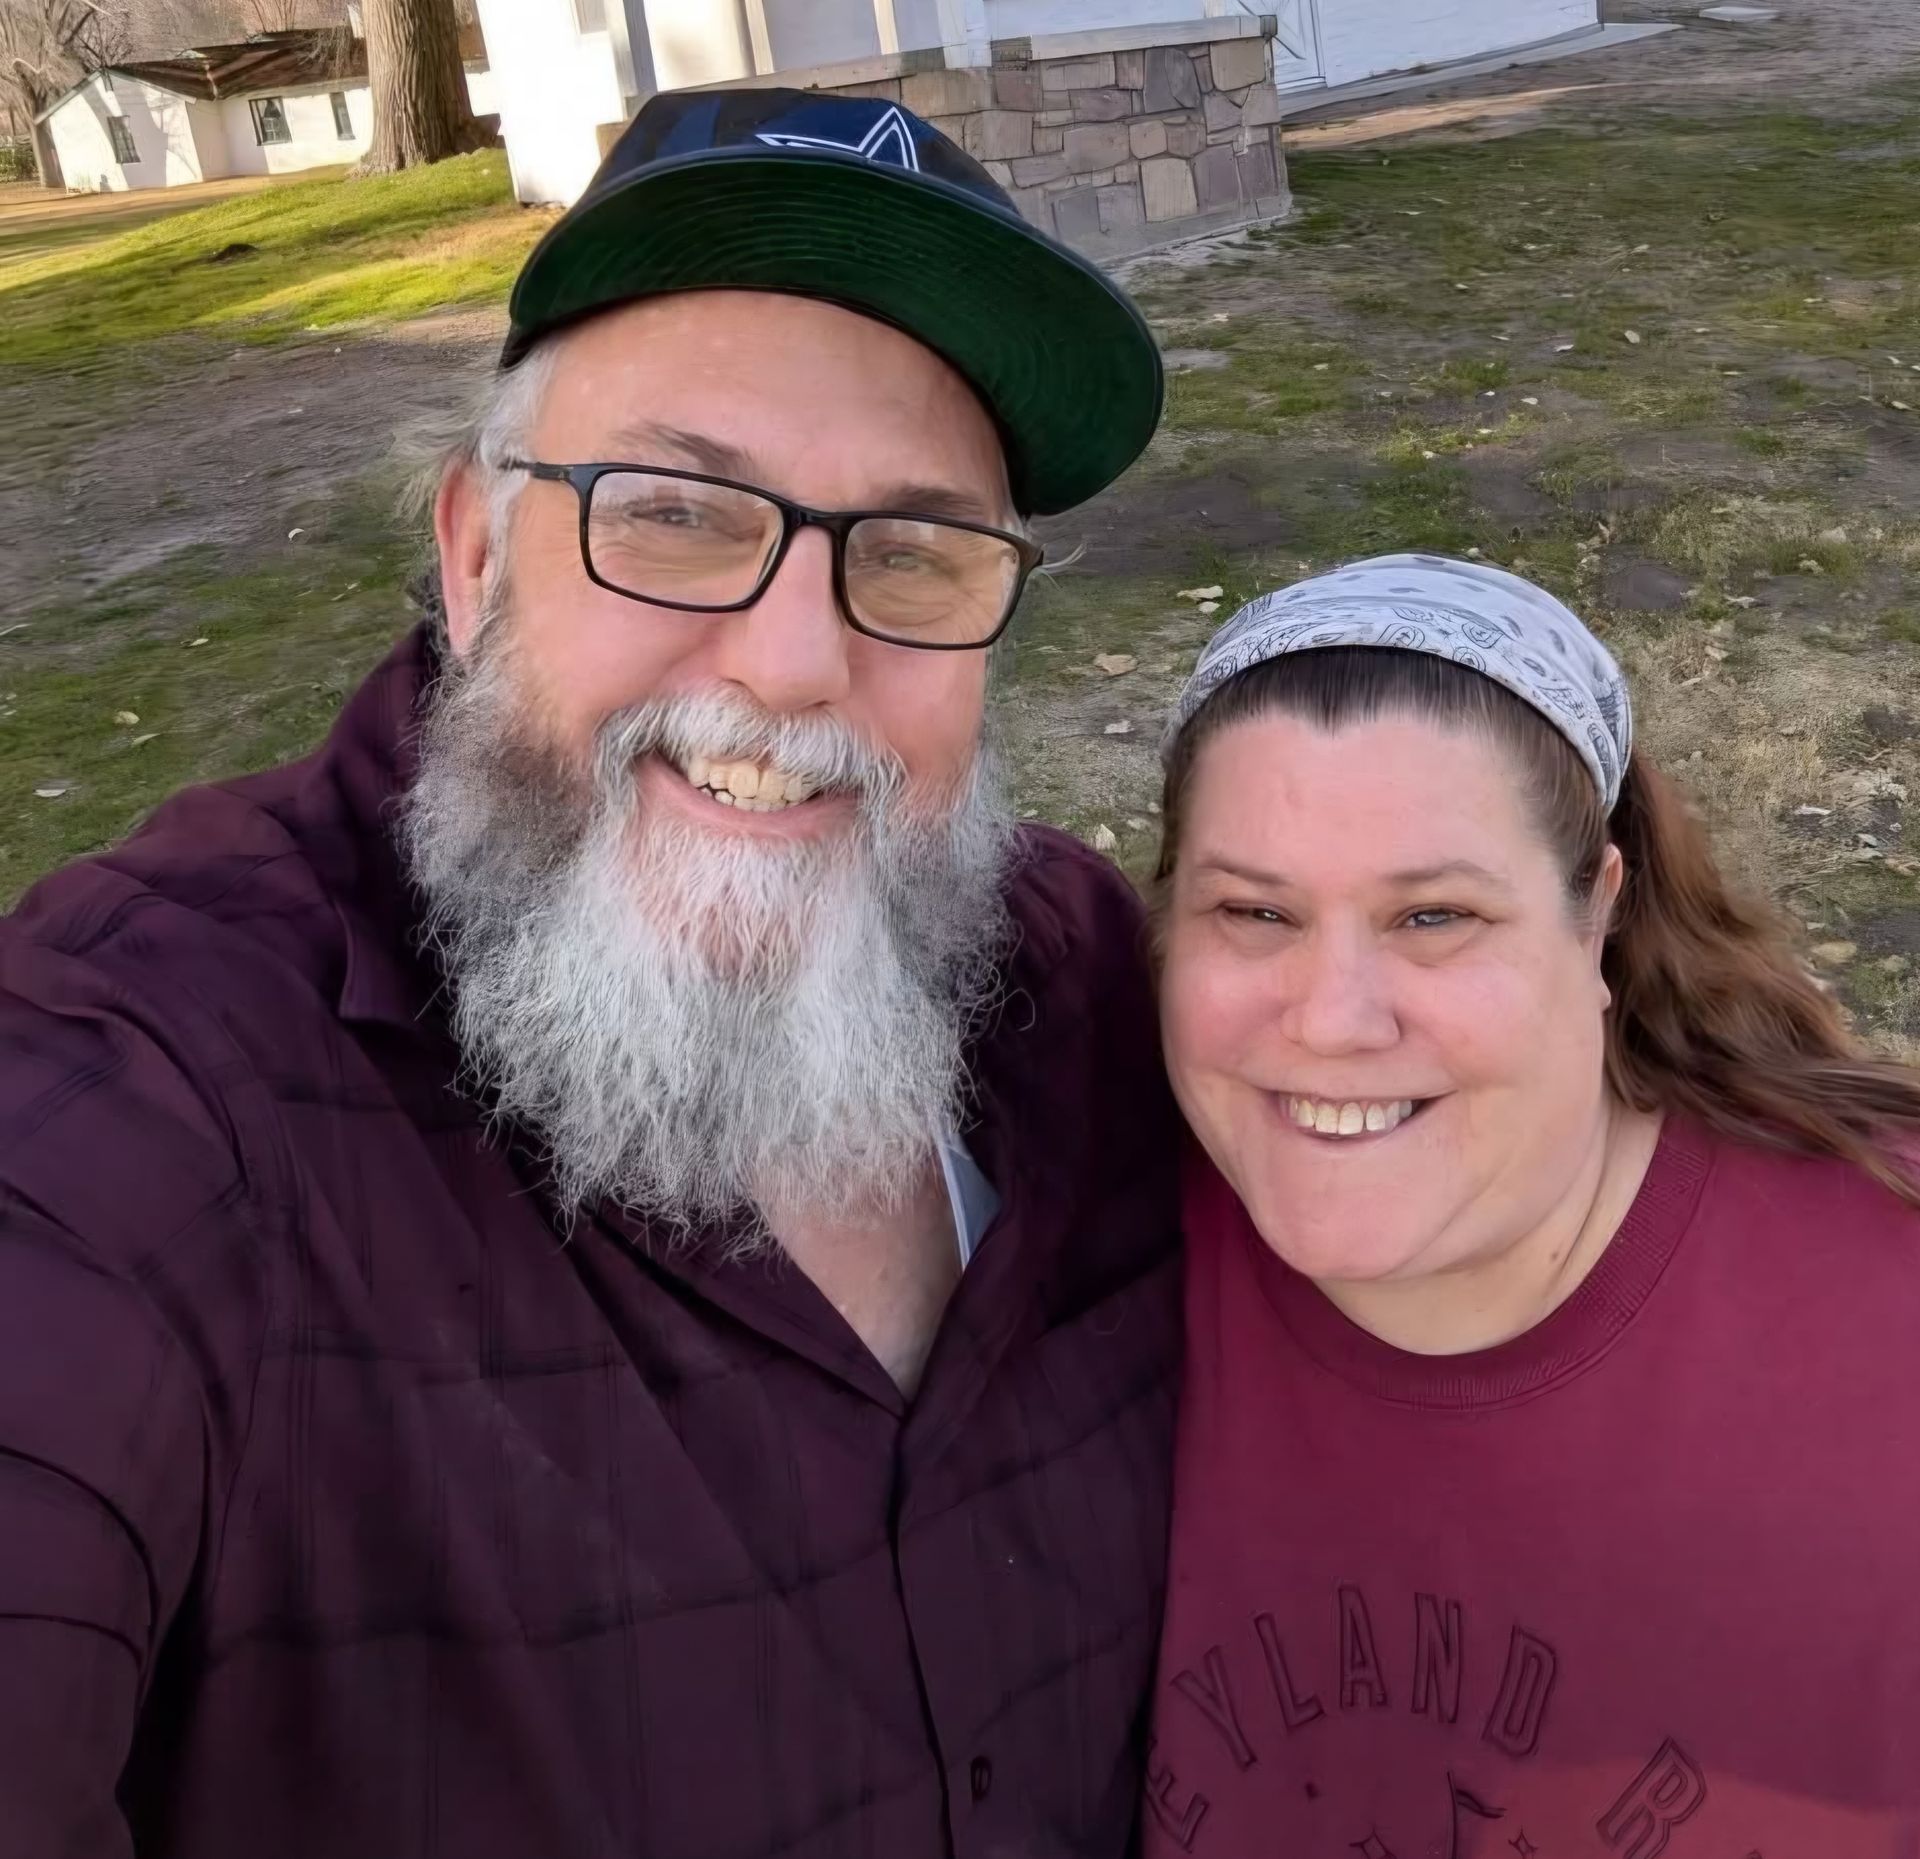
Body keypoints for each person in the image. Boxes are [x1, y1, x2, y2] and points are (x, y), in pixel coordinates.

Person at [0, 89, 1182, 1857]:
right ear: (476, 558)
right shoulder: (163, 1085)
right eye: (679, 514)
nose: (798, 662)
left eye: (918, 554)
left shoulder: (1083, 990)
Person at [1144, 555, 1920, 1856]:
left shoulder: (1885, 1303)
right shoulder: (1084, 1258)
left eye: (1434, 915)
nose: (1332, 1020)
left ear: (1597, 919)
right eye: (1255, 910)